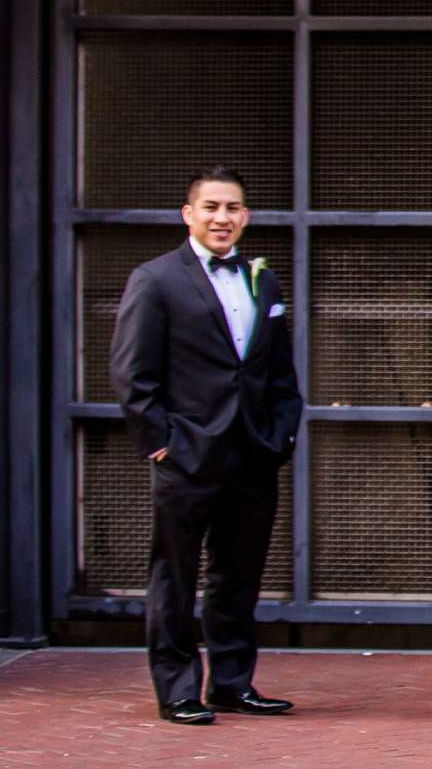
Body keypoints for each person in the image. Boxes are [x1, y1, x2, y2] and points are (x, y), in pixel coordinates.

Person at [109, 166, 303, 725]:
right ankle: (177, 689)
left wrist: (281, 433)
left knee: (238, 577)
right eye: (212, 207)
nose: (224, 218)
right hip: (187, 455)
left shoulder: (263, 281)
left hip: (253, 453)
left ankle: (233, 683)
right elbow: (131, 375)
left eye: (234, 208)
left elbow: (278, 372)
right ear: (188, 214)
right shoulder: (156, 279)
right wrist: (162, 445)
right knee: (174, 577)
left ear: (246, 216)